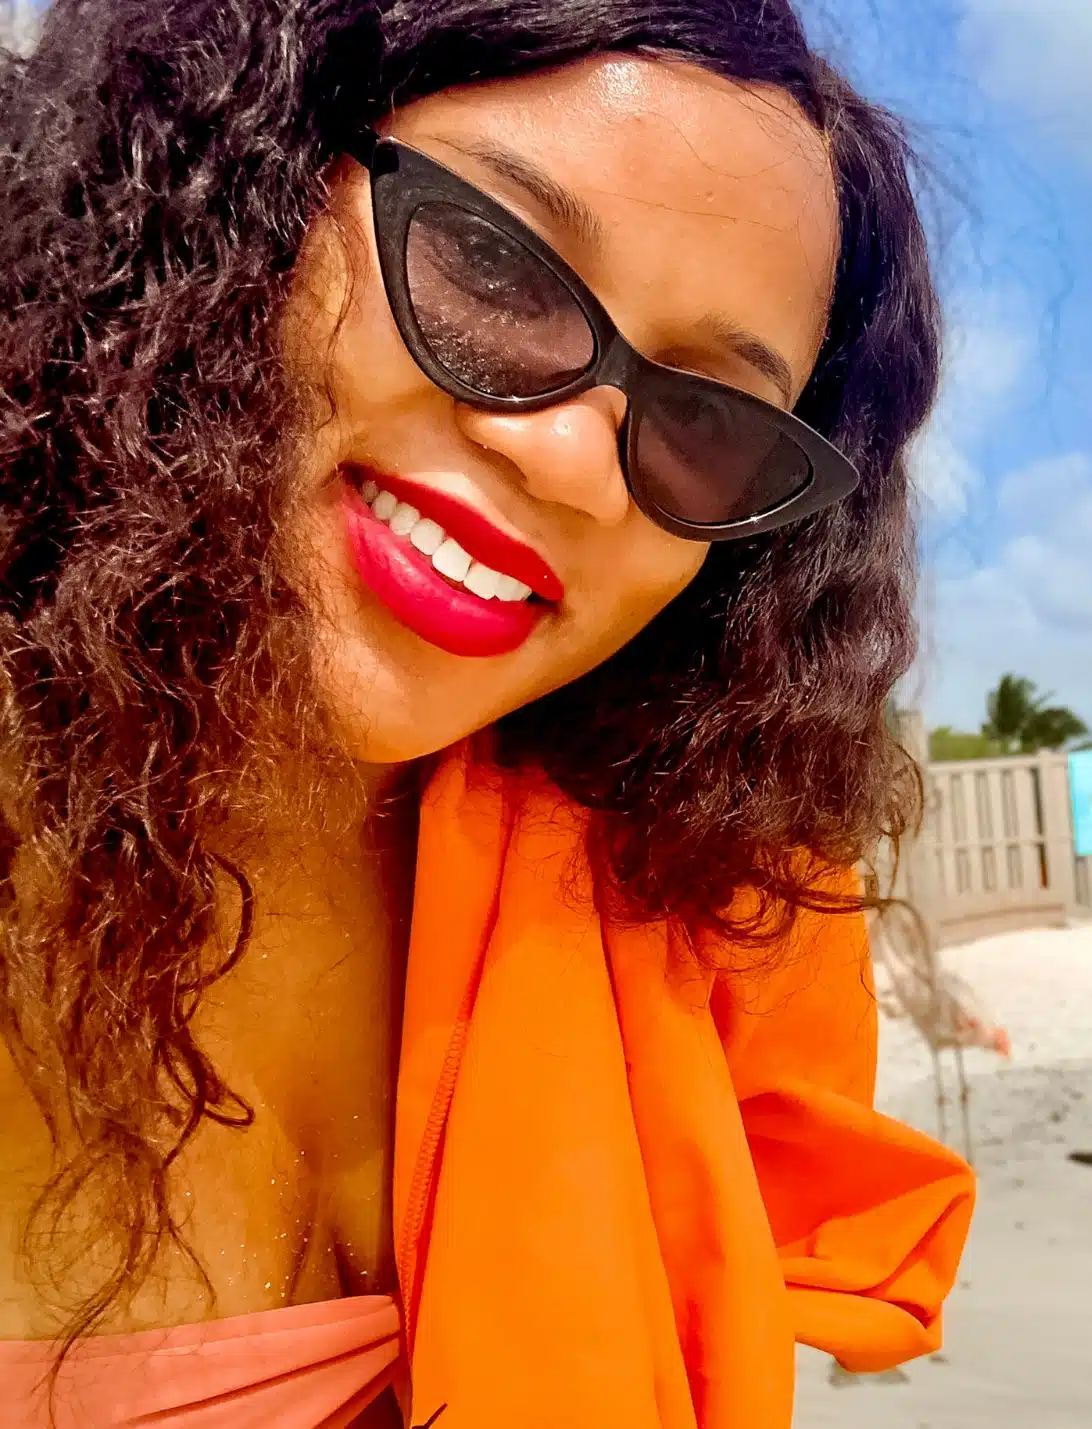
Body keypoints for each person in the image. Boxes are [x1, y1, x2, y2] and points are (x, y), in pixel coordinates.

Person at [0, 2, 974, 1425]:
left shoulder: (676, 899)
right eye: (487, 261)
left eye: (706, 418)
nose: (576, 464)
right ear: (237, 181)